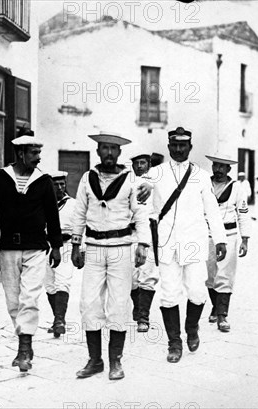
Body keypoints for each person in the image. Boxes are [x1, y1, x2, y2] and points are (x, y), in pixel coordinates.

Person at [70, 131, 150, 380]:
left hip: (120, 249)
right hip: (93, 248)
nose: (108, 153)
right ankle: (95, 360)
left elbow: (140, 214)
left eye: (113, 149)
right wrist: (75, 244)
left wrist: (143, 245)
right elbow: (79, 212)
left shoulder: (131, 181)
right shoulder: (87, 178)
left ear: (119, 153)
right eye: (104, 148)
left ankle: (116, 360)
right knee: (89, 303)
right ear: (97, 151)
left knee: (118, 304)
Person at [0, 129, 62, 372]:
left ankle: (24, 348)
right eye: (34, 153)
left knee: (30, 297)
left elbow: (52, 215)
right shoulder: (1, 177)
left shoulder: (44, 180)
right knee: (13, 300)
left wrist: (56, 246)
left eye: (39, 152)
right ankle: (23, 341)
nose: (38, 157)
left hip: (36, 248)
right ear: (20, 153)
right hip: (8, 248)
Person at [150, 126, 227, 363]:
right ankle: (174, 342)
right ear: (169, 146)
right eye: (174, 145)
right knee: (169, 295)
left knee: (197, 291)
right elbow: (144, 207)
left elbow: (212, 211)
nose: (179, 149)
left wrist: (221, 238)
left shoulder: (202, 176)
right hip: (167, 243)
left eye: (183, 145)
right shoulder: (155, 173)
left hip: (194, 241)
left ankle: (192, 327)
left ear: (190, 147)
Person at [204, 152, 252, 332]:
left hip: (229, 234)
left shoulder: (237, 188)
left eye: (222, 166)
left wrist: (245, 239)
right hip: (207, 234)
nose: (218, 170)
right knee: (209, 275)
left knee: (225, 274)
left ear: (229, 169)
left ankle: (222, 315)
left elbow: (243, 214)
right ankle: (215, 306)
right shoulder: (204, 185)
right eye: (216, 165)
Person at [129, 154, 159, 333]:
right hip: (130, 232)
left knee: (148, 274)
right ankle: (137, 305)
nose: (140, 166)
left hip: (150, 230)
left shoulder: (156, 182)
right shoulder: (127, 182)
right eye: (136, 163)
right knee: (131, 277)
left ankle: (143, 316)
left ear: (148, 165)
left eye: (143, 163)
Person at [44, 171, 76, 338]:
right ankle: (58, 319)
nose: (59, 187)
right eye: (55, 184)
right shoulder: (43, 203)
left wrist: (81, 249)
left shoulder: (73, 204)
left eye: (62, 184)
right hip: (46, 245)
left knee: (62, 281)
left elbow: (80, 227)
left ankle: (59, 321)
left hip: (66, 244)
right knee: (49, 284)